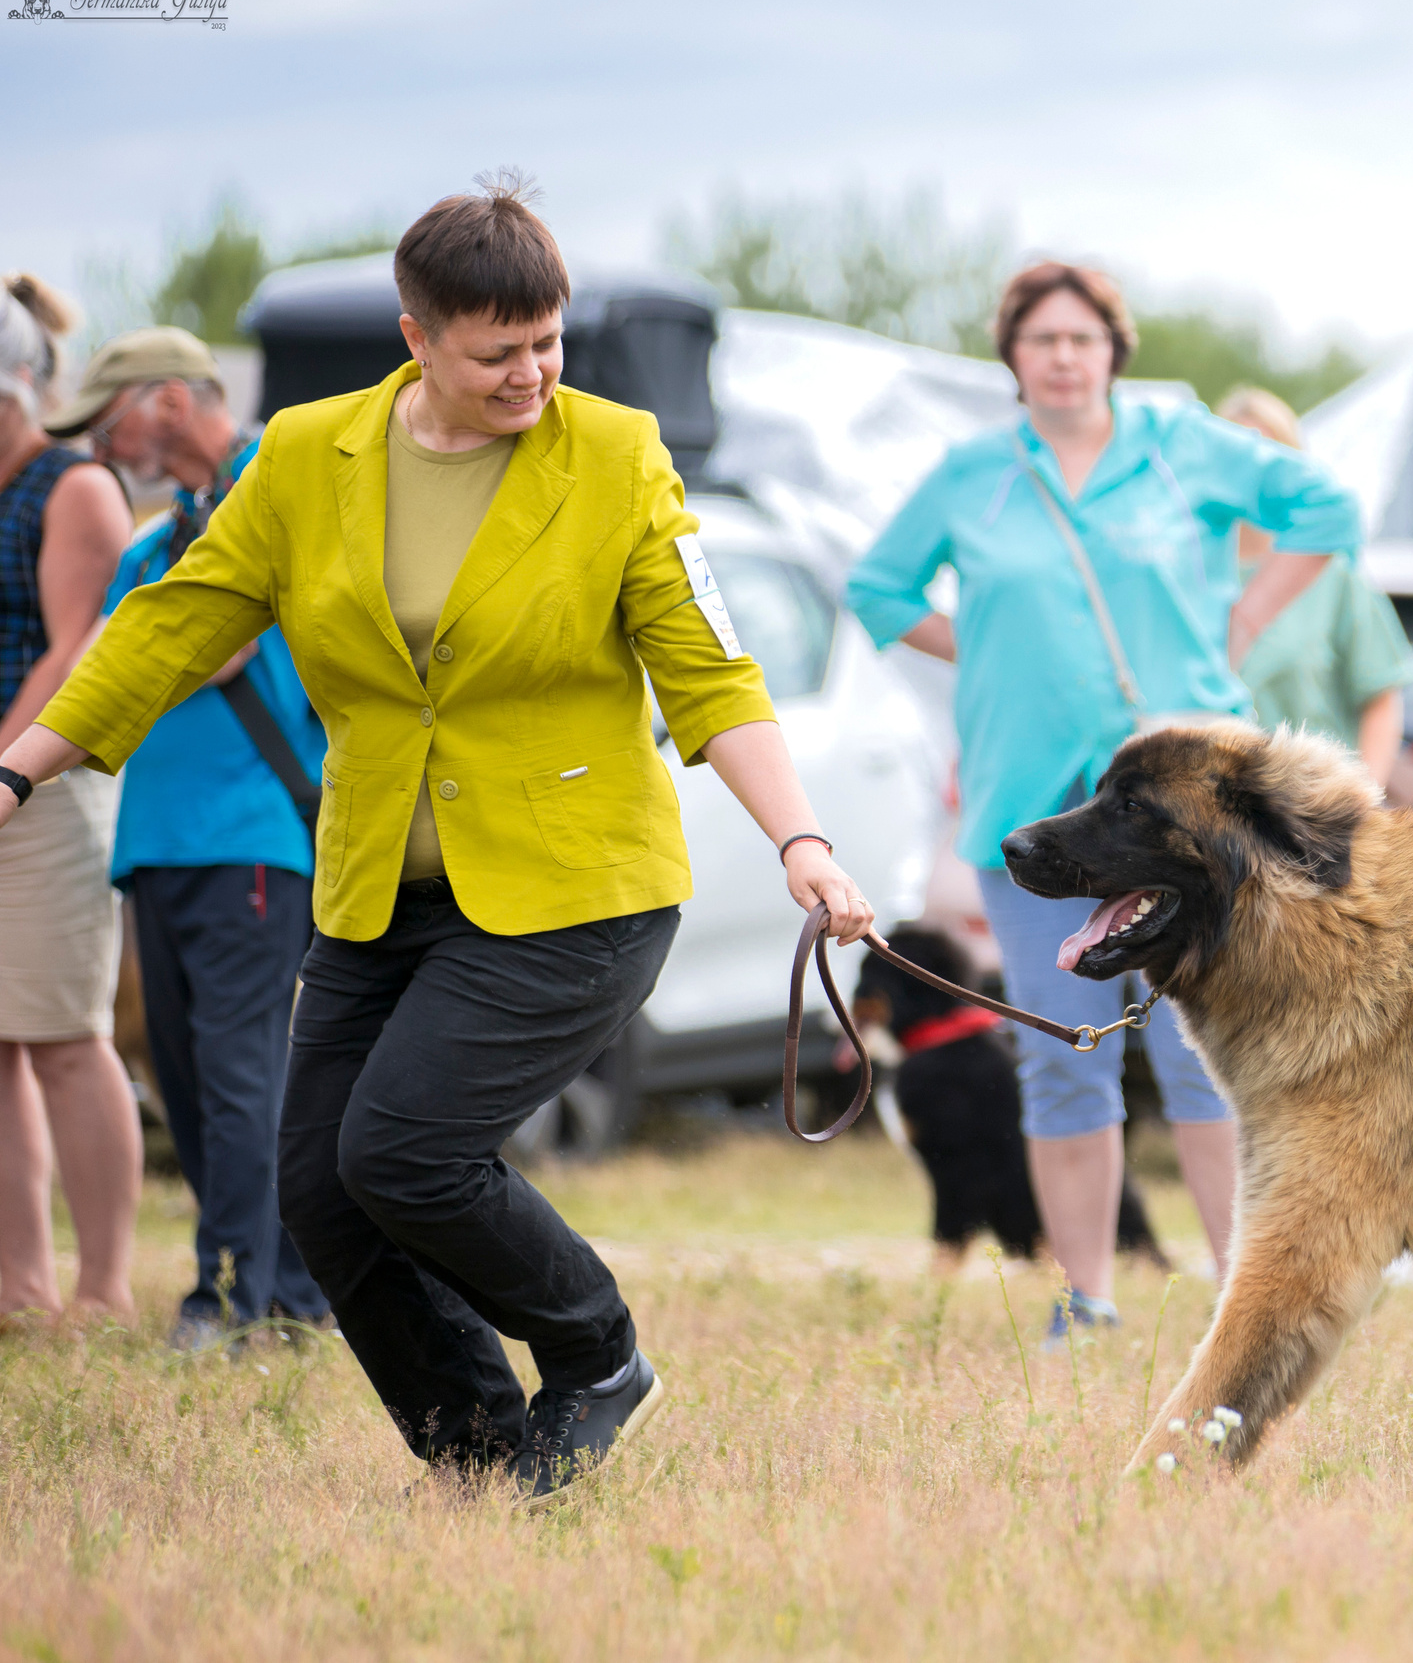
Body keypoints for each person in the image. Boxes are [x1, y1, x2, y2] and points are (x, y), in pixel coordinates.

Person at [0, 176, 878, 1498]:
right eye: (496, 353)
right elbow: (174, 622)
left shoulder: (617, 453)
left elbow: (710, 670)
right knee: (320, 1188)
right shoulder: (308, 456)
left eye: (547, 343)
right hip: (377, 886)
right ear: (418, 337)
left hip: (576, 885)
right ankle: (474, 1452)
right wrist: (16, 774)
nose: (530, 374)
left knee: (401, 1151)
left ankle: (600, 1357)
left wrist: (799, 839)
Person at [846, 262, 1360, 1343]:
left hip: (1187, 808)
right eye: (1042, 340)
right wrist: (976, 648)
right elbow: (878, 589)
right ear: (1013, 357)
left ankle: (1246, 1295)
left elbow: (1326, 505)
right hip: (1030, 799)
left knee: (1210, 1058)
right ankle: (1087, 1299)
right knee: (1063, 1050)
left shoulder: (1181, 446)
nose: (1064, 357)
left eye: (1083, 338)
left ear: (1113, 350)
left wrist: (1248, 620)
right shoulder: (972, 475)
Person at [47, 327, 335, 1350]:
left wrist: (150, 626)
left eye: (108, 415)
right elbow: (119, 647)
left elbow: (209, 647)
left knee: (237, 1075)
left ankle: (231, 1294)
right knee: (190, 1072)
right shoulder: (169, 531)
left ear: (167, 403)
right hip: (162, 840)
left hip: (248, 836)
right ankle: (289, 1290)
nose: (97, 442)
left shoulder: (271, 480)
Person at [0, 273, 141, 1331]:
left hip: (39, 794)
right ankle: (19, 1287)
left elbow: (75, 651)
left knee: (63, 1037)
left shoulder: (72, 487)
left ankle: (101, 1288)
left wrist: (6, 771)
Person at [1214, 386, 1413, 784]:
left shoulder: (1333, 575)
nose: (1255, 471)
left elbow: (1381, 699)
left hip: (1309, 812)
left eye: (1269, 455)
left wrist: (1363, 801)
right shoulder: (1188, 573)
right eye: (1240, 453)